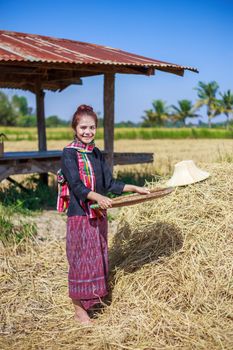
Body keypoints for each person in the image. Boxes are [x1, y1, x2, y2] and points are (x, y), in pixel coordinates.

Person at [60, 104, 150, 324]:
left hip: (98, 215)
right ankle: (79, 309)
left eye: (91, 127)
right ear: (75, 127)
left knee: (96, 257)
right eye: (83, 127)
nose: (87, 132)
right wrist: (98, 198)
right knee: (80, 260)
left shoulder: (96, 153)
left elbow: (109, 183)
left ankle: (93, 300)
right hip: (80, 214)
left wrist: (134, 188)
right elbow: (76, 185)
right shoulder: (69, 153)